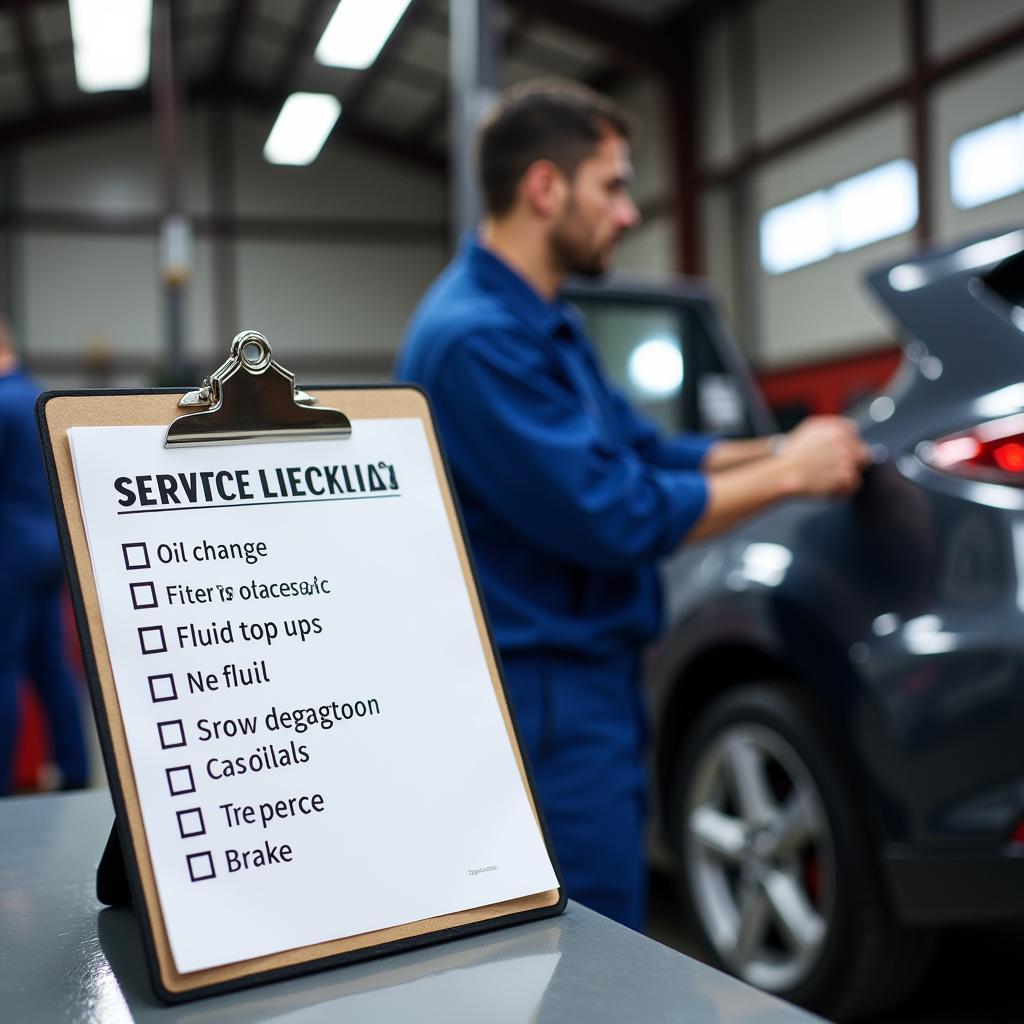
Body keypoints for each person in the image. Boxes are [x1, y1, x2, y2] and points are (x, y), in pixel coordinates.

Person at [395, 80, 869, 930]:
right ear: (547, 188)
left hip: (586, 683)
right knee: (591, 940)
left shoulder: (544, 321)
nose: (627, 213)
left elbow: (645, 449)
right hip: (541, 702)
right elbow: (613, 512)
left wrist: (776, 447)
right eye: (612, 186)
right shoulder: (477, 340)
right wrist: (791, 476)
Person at [0, 316, 89, 794]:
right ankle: (75, 770)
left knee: (4, 666)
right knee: (51, 662)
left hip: (10, 548)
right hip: (51, 546)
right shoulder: (40, 397)